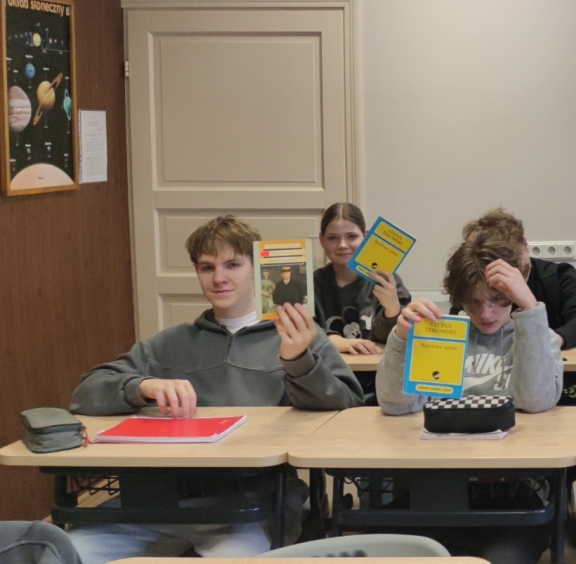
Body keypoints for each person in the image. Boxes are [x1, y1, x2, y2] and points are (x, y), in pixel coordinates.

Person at [68, 215, 362, 564]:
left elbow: (346, 406)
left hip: (250, 507)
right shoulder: (170, 343)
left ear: (257, 269)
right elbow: (86, 393)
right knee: (62, 552)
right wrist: (143, 385)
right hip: (156, 504)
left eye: (232, 265)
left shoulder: (301, 335)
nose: (218, 278)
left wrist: (297, 359)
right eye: (207, 267)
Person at [374, 230, 564, 563]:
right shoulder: (442, 333)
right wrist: (402, 338)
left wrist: (530, 308)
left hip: (510, 491)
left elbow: (536, 401)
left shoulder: (539, 335)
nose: (486, 313)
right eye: (474, 302)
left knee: (502, 558)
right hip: (435, 486)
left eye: (498, 300)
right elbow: (395, 404)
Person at [460, 207, 576, 405]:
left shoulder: (558, 275)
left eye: (497, 300)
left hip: (548, 383)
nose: (485, 313)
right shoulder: (478, 285)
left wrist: (545, 340)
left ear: (525, 245)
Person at [312, 202, 411, 355]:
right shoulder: (311, 284)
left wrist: (392, 310)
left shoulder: (387, 282)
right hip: (328, 369)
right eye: (333, 238)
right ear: (321, 239)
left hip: (375, 369)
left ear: (366, 237)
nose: (342, 245)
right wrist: (334, 340)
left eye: (351, 236)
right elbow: (300, 332)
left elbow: (395, 341)